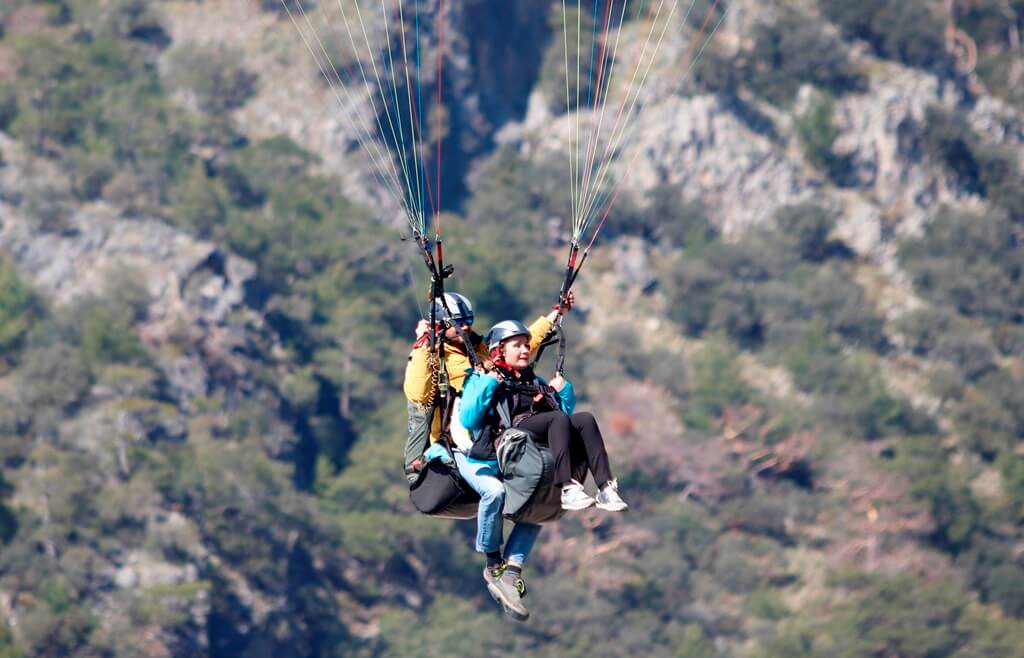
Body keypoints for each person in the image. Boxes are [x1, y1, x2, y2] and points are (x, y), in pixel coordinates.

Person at [402, 292, 571, 621]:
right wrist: (424, 342)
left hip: (493, 443)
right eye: (458, 324)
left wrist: (553, 317)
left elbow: (519, 347)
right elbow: (417, 392)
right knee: (493, 492)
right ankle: (493, 565)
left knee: (540, 496)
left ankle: (512, 573)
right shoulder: (436, 356)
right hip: (457, 445)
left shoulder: (479, 350)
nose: (465, 327)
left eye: (468, 322)